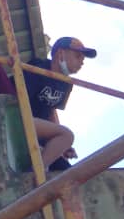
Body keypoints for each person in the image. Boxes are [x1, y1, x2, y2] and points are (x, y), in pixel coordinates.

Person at [24, 36, 96, 172]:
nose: (82, 62)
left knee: (67, 172)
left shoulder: (66, 83)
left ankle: (42, 169)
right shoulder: (37, 67)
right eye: (78, 56)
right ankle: (36, 172)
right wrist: (60, 137)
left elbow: (52, 111)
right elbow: (17, 99)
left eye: (83, 58)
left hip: (37, 127)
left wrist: (60, 145)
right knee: (67, 135)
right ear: (60, 53)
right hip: (19, 119)